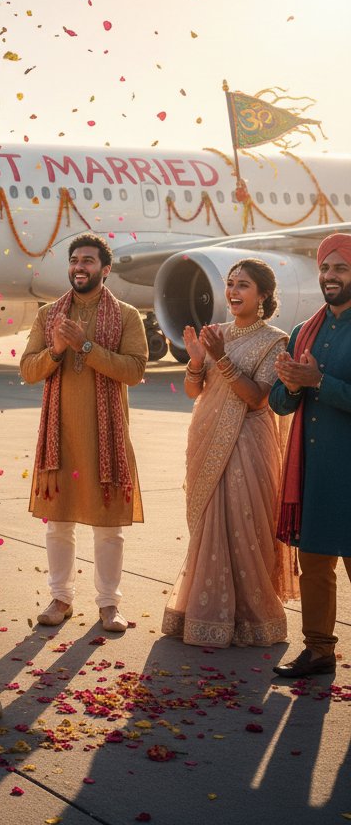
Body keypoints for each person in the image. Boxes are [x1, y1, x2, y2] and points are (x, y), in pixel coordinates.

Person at [162, 259, 296, 647]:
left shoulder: (275, 341)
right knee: (209, 524)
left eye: (243, 285)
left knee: (245, 524)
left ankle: (251, 620)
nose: (233, 292)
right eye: (231, 283)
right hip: (205, 438)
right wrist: (196, 361)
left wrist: (219, 357)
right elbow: (195, 391)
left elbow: (257, 398)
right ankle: (206, 614)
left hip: (248, 442)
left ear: (263, 295)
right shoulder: (215, 332)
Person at [20, 233, 147, 633]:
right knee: (58, 523)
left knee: (108, 526)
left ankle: (109, 604)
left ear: (105, 269)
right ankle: (60, 598)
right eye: (75, 260)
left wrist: (86, 346)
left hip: (106, 438)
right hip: (60, 437)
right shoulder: (49, 316)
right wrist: (57, 350)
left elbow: (134, 370)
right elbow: (28, 370)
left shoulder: (127, 315)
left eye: (88, 261)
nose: (79, 266)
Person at [270, 232, 351, 678]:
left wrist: (320, 382)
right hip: (315, 470)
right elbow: (280, 403)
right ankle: (319, 650)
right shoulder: (305, 331)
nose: (329, 276)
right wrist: (293, 384)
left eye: (340, 268)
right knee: (315, 563)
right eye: (325, 268)